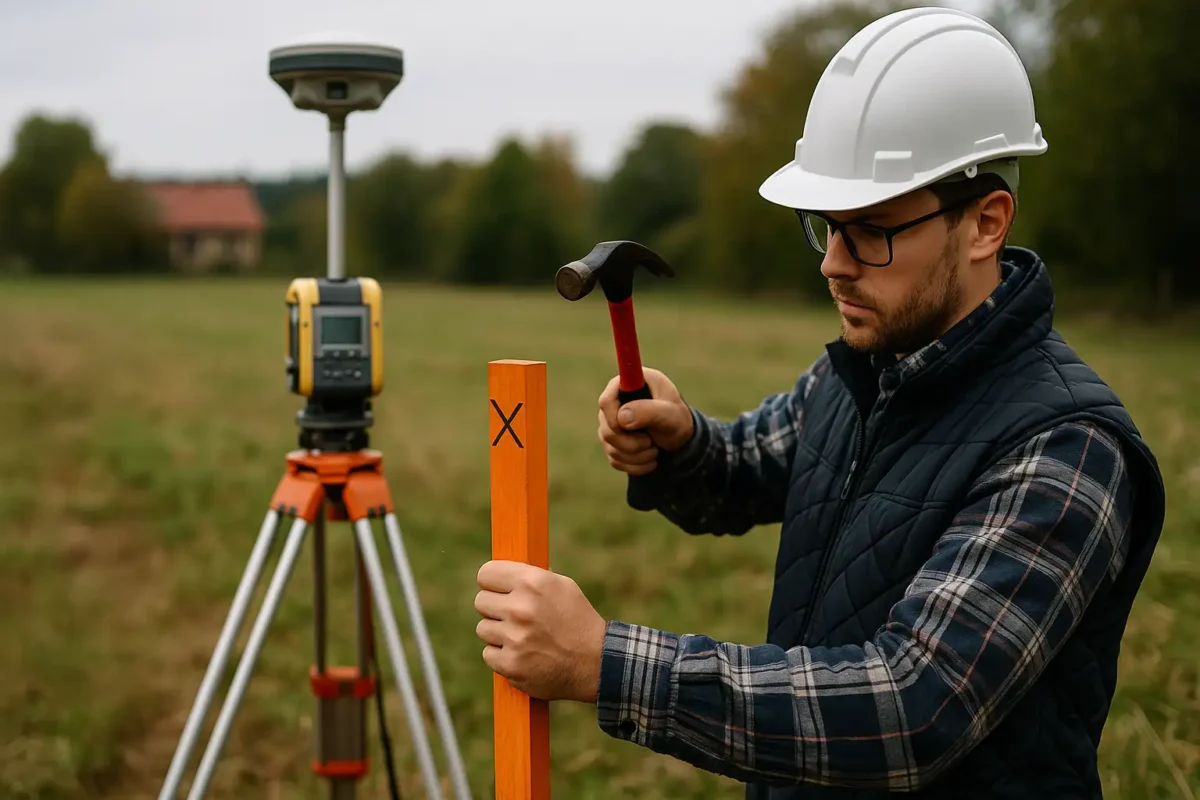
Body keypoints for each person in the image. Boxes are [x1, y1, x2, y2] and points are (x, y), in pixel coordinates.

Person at [473, 7, 1166, 798]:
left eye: (869, 231)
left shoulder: (1067, 449)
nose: (834, 265)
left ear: (985, 224)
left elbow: (909, 707)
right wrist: (681, 443)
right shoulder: (866, 370)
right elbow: (746, 462)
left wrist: (606, 663)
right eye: (825, 227)